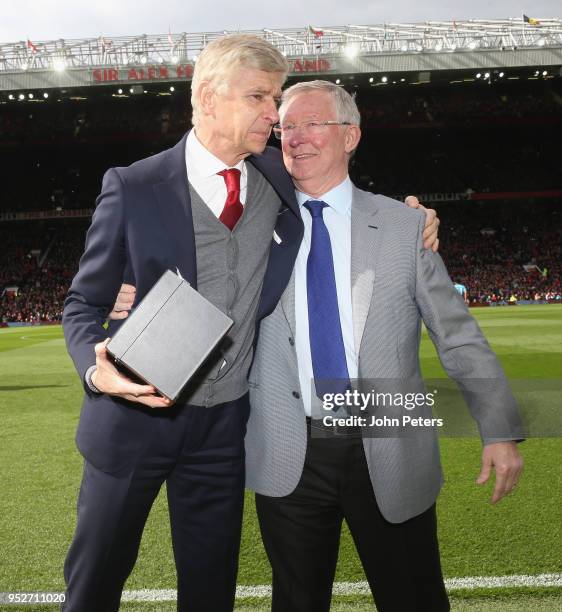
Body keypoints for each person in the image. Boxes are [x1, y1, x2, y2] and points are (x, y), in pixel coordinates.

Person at [62, 36, 439, 612]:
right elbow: (82, 305)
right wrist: (98, 371)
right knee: (95, 584)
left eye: (277, 98)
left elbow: (342, 193)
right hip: (130, 419)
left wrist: (414, 216)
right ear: (209, 97)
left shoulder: (275, 179)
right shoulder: (133, 186)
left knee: (211, 591)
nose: (275, 116)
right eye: (260, 97)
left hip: (223, 430)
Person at [243, 81, 524, 612]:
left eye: (311, 124)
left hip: (390, 436)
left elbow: (458, 335)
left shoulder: (405, 226)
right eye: (286, 127)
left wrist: (499, 427)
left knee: (413, 598)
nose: (295, 138)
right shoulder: (255, 225)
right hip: (288, 446)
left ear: (350, 136)